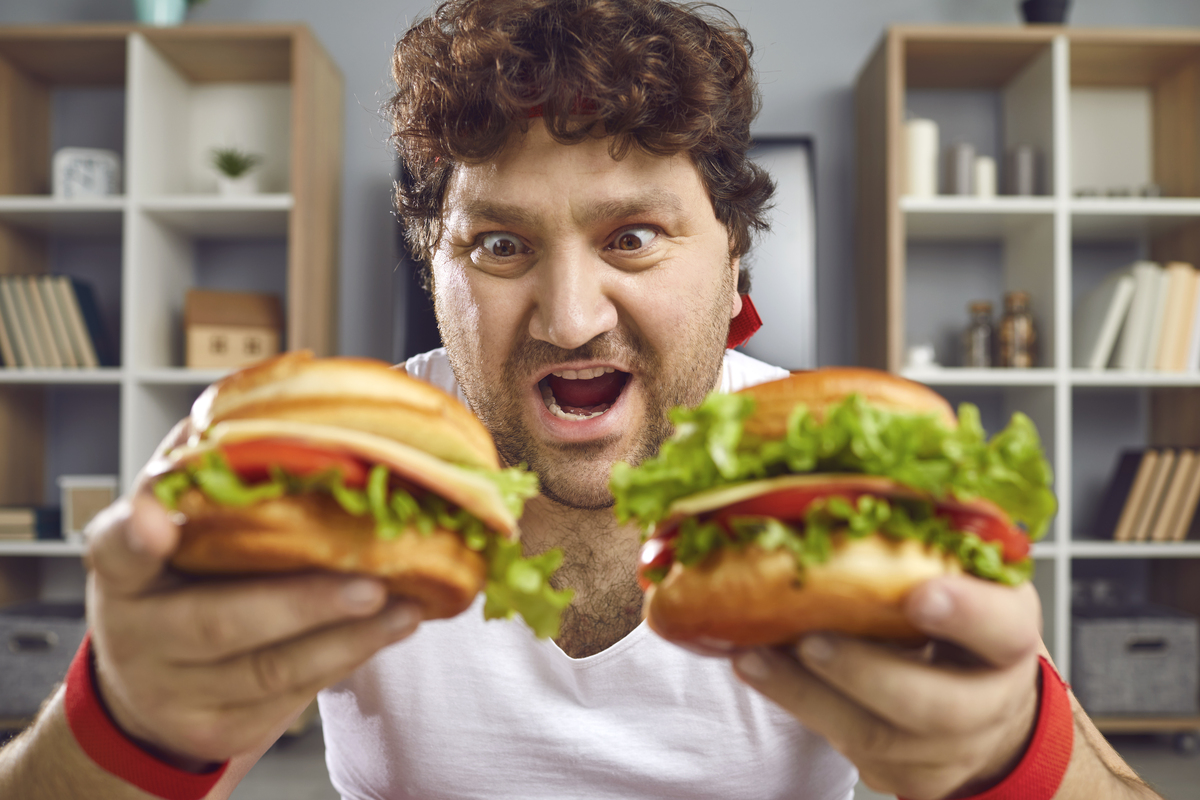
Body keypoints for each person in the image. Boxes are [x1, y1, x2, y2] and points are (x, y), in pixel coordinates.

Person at [0, 1, 1166, 798]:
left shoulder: (850, 480)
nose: (569, 317)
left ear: (735, 258)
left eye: (636, 235)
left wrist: (1014, 751)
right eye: (500, 242)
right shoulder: (313, 476)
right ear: (435, 271)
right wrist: (125, 723)